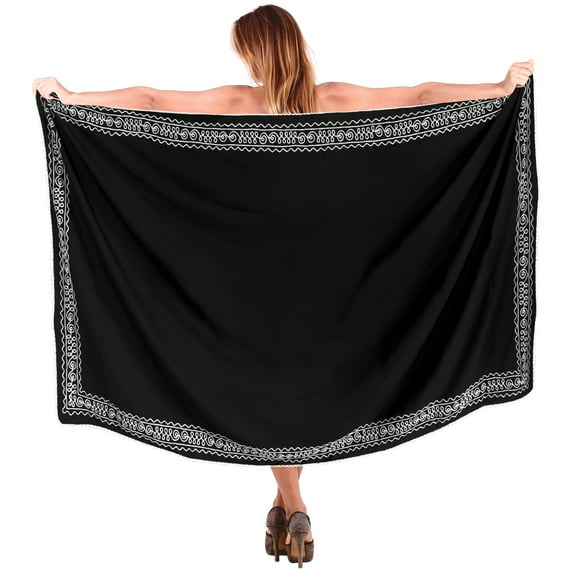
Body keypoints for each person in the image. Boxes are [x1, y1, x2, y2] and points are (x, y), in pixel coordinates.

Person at [32, 4, 534, 567]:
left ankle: (291, 504)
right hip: (333, 281)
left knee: (267, 398)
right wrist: (498, 89)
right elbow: (421, 96)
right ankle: (288, 507)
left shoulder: (237, 103)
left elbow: (149, 101)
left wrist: (72, 99)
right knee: (299, 396)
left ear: (255, 53)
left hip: (248, 283)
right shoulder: (334, 99)